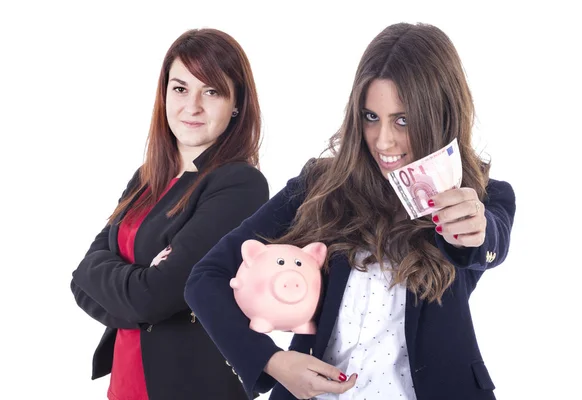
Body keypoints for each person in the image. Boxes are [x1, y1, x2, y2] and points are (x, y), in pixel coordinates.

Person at [184, 22, 516, 400]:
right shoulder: (320, 187)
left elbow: (489, 243)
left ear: (440, 115)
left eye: (403, 119)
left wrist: (474, 232)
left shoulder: (484, 198)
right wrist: (272, 362)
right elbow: (206, 278)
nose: (383, 139)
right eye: (371, 116)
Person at [70, 28, 268, 400]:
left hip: (189, 385)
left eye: (211, 91)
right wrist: (141, 287)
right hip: (126, 384)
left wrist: (137, 294)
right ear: (164, 95)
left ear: (236, 103)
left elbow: (155, 297)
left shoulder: (240, 185)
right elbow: (81, 278)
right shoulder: (148, 177)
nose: (192, 106)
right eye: (180, 89)